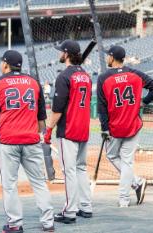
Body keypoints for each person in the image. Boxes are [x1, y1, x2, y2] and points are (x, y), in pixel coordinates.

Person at [0, 50, 54, 232]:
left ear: (6, 64)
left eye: (2, 62)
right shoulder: (34, 83)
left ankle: (15, 224)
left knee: (10, 185)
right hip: (31, 140)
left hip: (8, 141)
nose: (1, 65)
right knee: (39, 182)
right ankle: (48, 223)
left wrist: (3, 136)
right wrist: (35, 134)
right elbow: (41, 121)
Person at [97, 45, 153, 207]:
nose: (107, 58)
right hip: (133, 124)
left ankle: (127, 195)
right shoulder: (135, 74)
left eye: (108, 56)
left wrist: (104, 128)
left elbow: (102, 107)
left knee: (112, 156)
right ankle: (133, 187)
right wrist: (143, 102)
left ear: (112, 58)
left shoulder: (104, 77)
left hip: (114, 126)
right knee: (127, 162)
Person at [44, 40, 92, 224]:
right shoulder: (86, 75)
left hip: (69, 128)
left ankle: (70, 212)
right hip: (83, 127)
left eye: (60, 52)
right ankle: (86, 206)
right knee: (80, 168)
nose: (59, 55)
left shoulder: (64, 76)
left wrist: (48, 129)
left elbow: (58, 110)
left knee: (69, 171)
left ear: (66, 54)